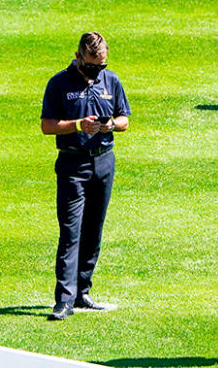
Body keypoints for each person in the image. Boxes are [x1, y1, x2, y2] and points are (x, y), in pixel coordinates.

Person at [39, 31, 130, 321]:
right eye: (91, 66)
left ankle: (83, 292)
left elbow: (124, 119)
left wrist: (110, 127)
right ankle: (63, 300)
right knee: (70, 231)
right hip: (72, 164)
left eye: (101, 66)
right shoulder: (59, 83)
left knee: (94, 229)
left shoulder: (111, 80)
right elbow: (47, 125)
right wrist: (79, 125)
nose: (96, 71)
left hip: (104, 161)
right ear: (78, 57)